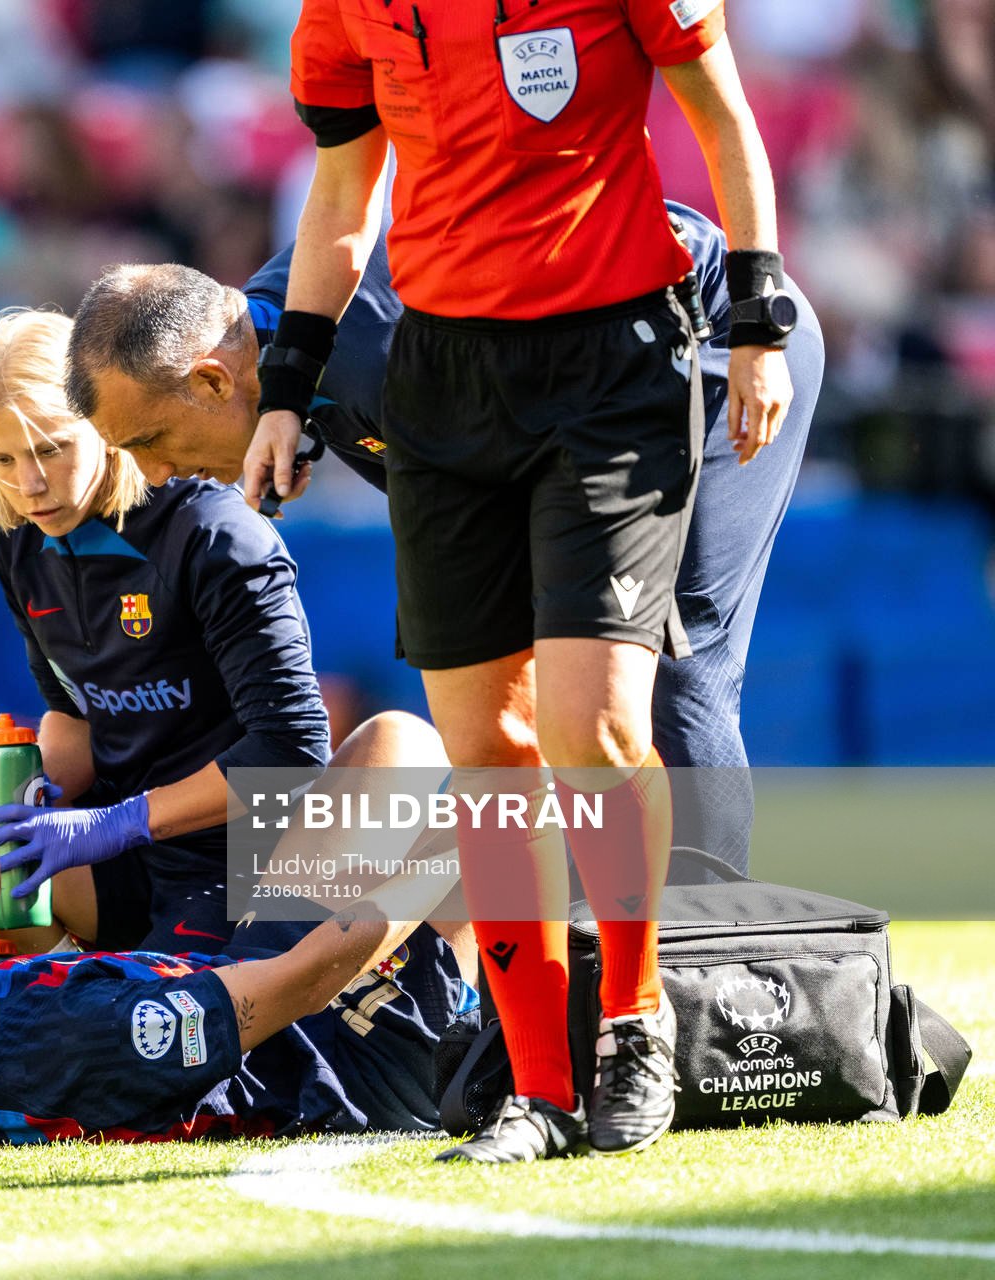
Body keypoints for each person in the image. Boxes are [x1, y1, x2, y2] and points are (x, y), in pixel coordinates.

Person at [235, 0, 798, 1162]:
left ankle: (634, 1026)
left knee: (590, 722)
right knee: (486, 742)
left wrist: (758, 317)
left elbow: (725, 117)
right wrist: (288, 384)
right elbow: (345, 193)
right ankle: (536, 1086)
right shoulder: (343, 9)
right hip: (441, 384)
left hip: (615, 370)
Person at [65, 199, 824, 873]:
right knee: (527, 685)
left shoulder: (385, 358)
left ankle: (709, 964)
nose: (155, 472)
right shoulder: (280, 341)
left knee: (667, 658)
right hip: (574, 386)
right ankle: (592, 946)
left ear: (212, 381)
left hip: (713, 337)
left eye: (149, 439)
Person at [0, 707, 470, 1156]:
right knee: (402, 753)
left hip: (249, 992)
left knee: (379, 798)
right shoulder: (101, 1034)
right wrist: (438, 856)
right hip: (342, 1061)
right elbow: (307, 976)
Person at [0, 309, 331, 954]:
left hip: (244, 849)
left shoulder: (217, 536)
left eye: (52, 448)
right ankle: (22, 969)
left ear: (104, 424)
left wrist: (111, 825)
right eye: (2, 459)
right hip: (119, 841)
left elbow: (294, 755)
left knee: (408, 752)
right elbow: (77, 722)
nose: (29, 485)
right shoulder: (20, 542)